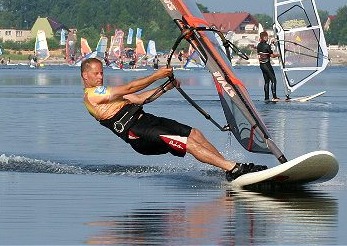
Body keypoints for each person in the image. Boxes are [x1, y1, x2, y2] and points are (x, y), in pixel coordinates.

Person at [80, 57, 266, 181]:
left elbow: (140, 98)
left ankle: (228, 170)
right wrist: (156, 75)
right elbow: (129, 88)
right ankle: (234, 169)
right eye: (96, 73)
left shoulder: (106, 94)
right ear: (85, 76)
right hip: (138, 133)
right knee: (187, 143)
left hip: (148, 121)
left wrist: (165, 87)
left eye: (102, 72)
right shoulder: (92, 95)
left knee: (195, 134)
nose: (100, 76)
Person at [256, 31, 280, 101]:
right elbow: (272, 56)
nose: (268, 37)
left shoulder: (259, 45)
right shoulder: (267, 46)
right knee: (273, 80)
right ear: (264, 37)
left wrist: (270, 44)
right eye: (267, 36)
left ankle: (266, 98)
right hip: (267, 65)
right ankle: (274, 97)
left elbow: (265, 49)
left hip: (262, 65)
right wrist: (279, 54)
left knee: (266, 81)